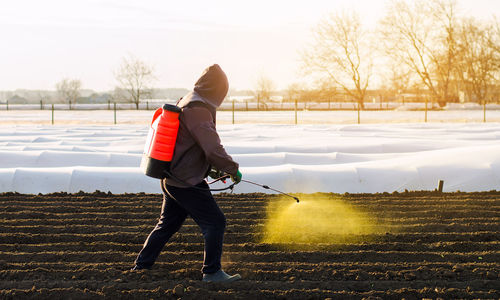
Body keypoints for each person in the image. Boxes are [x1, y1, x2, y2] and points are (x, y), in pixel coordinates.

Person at [132, 64, 243, 283]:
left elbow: (190, 145)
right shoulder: (199, 109)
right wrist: (232, 168)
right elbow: (212, 147)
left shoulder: (186, 101)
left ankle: (141, 266)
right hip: (186, 181)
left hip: (172, 176)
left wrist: (212, 168)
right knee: (215, 222)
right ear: (217, 90)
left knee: (168, 224)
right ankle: (212, 272)